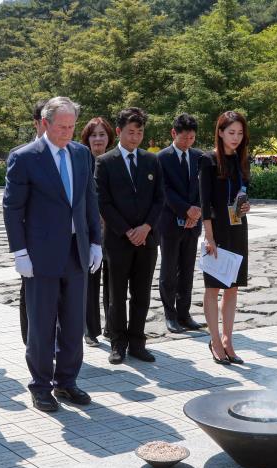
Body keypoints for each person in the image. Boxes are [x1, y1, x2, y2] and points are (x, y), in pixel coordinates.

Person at [4, 97, 101, 412]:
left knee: (74, 322)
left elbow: (88, 200)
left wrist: (96, 241)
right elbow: (13, 208)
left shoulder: (82, 154)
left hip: (76, 251)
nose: (68, 132)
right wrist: (20, 252)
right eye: (62, 127)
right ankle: (41, 385)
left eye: (72, 126)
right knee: (42, 323)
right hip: (40, 254)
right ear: (45, 123)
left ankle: (67, 382)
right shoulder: (25, 157)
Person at [95, 107, 163, 365]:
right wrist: (127, 230)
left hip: (147, 239)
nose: (135, 137)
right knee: (116, 294)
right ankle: (117, 342)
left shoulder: (151, 161)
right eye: (131, 132)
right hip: (117, 239)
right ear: (119, 131)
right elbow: (103, 202)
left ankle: (137, 341)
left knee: (142, 293)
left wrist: (145, 227)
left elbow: (159, 199)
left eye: (140, 132)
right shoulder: (106, 162)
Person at [199, 111, 251, 366]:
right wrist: (209, 238)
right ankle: (215, 341)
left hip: (238, 228)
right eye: (231, 132)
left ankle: (228, 340)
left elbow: (242, 192)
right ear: (220, 132)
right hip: (216, 231)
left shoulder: (242, 160)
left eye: (240, 133)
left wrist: (245, 206)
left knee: (233, 288)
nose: (236, 138)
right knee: (213, 287)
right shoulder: (207, 160)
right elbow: (205, 202)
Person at [157, 114, 205, 334]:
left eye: (192, 138)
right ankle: (170, 315)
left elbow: (204, 187)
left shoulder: (199, 157)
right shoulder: (161, 158)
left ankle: (184, 314)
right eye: (184, 137)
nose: (188, 142)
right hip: (169, 222)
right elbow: (164, 190)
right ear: (174, 133)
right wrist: (186, 209)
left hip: (193, 223)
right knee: (168, 270)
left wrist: (196, 211)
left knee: (187, 270)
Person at [9, 99, 48, 346]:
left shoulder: (73, 152)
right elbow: (13, 205)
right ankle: (31, 341)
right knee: (30, 291)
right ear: (37, 123)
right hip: (32, 238)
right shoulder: (20, 155)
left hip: (62, 237)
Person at [80, 116, 115, 347]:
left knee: (113, 281)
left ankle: (111, 327)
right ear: (87, 138)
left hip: (114, 230)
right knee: (90, 281)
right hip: (88, 231)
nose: (98, 139)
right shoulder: (80, 161)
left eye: (102, 134)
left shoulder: (114, 161)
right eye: (94, 135)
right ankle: (90, 329)